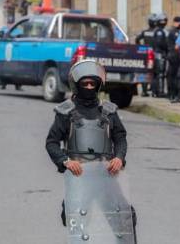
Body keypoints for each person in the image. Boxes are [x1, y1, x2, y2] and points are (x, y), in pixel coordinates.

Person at [45, 59, 137, 242]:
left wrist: (119, 157)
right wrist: (65, 161)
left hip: (107, 175)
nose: (89, 86)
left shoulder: (109, 111)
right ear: (77, 85)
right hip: (80, 177)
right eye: (85, 83)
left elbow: (120, 138)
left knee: (126, 217)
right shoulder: (66, 112)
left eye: (92, 83)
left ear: (98, 85)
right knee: (76, 219)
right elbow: (52, 142)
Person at [135, 13, 158, 97]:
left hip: (146, 55)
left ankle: (144, 91)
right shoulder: (158, 32)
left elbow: (137, 39)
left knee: (145, 72)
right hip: (155, 55)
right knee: (155, 73)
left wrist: (140, 47)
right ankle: (154, 91)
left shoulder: (145, 32)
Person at [167, 16, 180, 102]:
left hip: (179, 56)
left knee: (179, 76)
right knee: (173, 76)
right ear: (175, 22)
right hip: (174, 56)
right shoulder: (174, 32)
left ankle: (178, 94)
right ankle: (172, 94)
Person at [152, 13, 168, 97]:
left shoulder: (156, 30)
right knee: (160, 74)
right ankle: (160, 92)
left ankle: (155, 91)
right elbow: (160, 43)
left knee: (156, 74)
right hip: (159, 54)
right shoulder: (159, 32)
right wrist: (167, 48)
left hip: (156, 53)